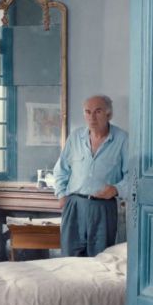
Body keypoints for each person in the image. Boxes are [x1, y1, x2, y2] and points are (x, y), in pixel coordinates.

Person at [53, 95, 128, 257]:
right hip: (74, 205)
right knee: (69, 258)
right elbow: (60, 169)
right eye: (88, 112)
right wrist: (61, 195)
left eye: (98, 111)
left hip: (103, 207)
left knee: (100, 259)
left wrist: (116, 189)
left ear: (109, 114)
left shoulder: (123, 139)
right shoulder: (75, 137)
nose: (92, 117)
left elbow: (133, 178)